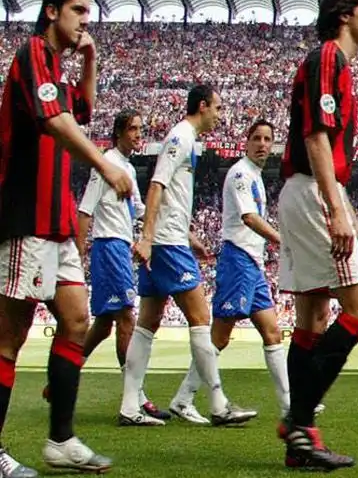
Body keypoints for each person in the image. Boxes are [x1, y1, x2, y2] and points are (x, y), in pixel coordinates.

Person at [0, 0, 134, 475]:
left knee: (76, 321)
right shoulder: (33, 51)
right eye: (79, 11)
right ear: (53, 11)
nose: (85, 21)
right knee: (8, 338)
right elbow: (57, 120)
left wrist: (91, 60)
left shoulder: (56, 63)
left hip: (56, 220)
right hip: (25, 216)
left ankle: (61, 440)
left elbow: (83, 110)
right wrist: (105, 164)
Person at [277, 0, 358, 471]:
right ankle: (299, 420)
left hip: (308, 191)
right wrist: (336, 211)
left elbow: (331, 158)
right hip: (312, 192)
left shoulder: (334, 64)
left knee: (312, 319)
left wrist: (352, 218)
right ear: (344, 16)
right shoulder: (327, 59)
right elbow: (317, 138)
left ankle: (301, 440)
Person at [121, 84, 256, 428]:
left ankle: (129, 405)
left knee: (148, 322)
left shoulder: (187, 140)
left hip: (171, 238)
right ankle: (218, 403)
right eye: (218, 108)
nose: (221, 115)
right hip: (166, 244)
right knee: (200, 318)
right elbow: (156, 185)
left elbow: (171, 198)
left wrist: (190, 235)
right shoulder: (181, 136)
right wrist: (149, 238)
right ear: (202, 106)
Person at [179, 119, 293, 420]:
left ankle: (290, 406)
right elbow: (249, 218)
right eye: (256, 138)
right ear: (246, 141)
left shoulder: (255, 175)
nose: (262, 144)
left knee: (272, 332)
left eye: (268, 139)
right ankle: (185, 397)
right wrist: (283, 241)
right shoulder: (241, 173)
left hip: (252, 264)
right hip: (237, 258)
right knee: (220, 335)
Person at [77, 107, 167, 423]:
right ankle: (135, 399)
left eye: (141, 129)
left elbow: (141, 210)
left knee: (104, 323)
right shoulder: (106, 165)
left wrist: (174, 225)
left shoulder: (126, 168)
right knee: (127, 317)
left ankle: (65, 373)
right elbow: (85, 210)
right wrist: (77, 256)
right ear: (119, 133)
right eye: (133, 129)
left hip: (118, 246)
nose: (139, 134)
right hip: (109, 246)